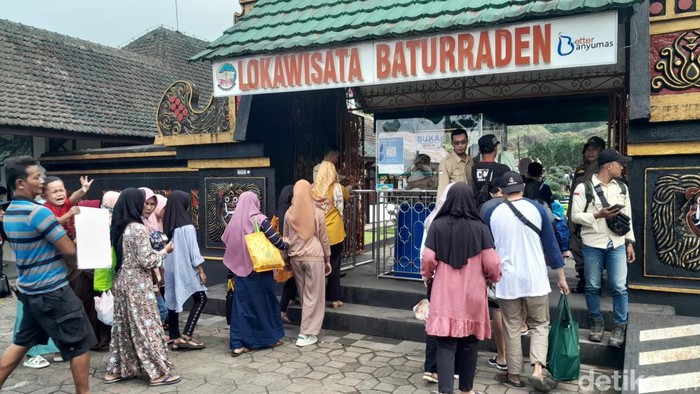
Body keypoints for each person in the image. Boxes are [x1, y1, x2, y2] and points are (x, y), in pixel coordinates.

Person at [0, 156, 96, 394]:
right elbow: (69, 251)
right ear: (21, 183)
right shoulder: (38, 213)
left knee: (21, 343)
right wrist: (78, 264)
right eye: (37, 177)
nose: (42, 181)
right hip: (54, 291)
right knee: (81, 343)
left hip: (30, 291)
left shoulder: (10, 212)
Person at [483, 171, 569, 392]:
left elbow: (487, 249)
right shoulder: (537, 209)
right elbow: (551, 246)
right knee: (540, 324)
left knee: (511, 326)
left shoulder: (493, 212)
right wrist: (561, 278)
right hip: (535, 278)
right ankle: (538, 370)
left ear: (501, 190)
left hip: (506, 280)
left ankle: (513, 374)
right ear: (522, 188)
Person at [421, 183, 502, 394]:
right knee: (469, 344)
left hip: (445, 293)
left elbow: (428, 258)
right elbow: (492, 263)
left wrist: (428, 275)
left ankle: (446, 390)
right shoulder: (481, 227)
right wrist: (493, 278)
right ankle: (466, 390)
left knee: (445, 344)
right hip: (473, 294)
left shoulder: (437, 225)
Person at [105, 188, 179, 386]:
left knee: (123, 327)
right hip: (137, 284)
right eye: (143, 202)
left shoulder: (119, 226)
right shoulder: (137, 228)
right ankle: (156, 373)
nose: (146, 207)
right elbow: (147, 260)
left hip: (121, 281)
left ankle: (117, 370)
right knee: (146, 326)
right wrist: (166, 250)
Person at [571, 149, 635, 348]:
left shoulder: (622, 188)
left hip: (616, 243)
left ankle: (619, 326)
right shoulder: (584, 187)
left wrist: (629, 242)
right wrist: (597, 216)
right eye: (620, 163)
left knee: (619, 287)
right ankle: (596, 323)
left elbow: (628, 218)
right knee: (592, 286)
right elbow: (575, 216)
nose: (622, 167)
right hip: (593, 244)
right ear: (609, 165)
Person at [222, 192, 289, 356]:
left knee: (242, 308)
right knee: (264, 304)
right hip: (259, 270)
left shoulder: (233, 222)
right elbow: (276, 241)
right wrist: (286, 243)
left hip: (240, 272)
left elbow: (229, 246)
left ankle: (238, 344)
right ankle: (270, 338)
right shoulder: (259, 219)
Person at [284, 180, 332, 347]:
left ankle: (306, 329)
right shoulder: (316, 213)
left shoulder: (289, 213)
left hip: (296, 258)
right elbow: (324, 238)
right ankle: (305, 333)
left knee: (304, 294)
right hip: (314, 258)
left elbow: (286, 239)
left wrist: (286, 260)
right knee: (314, 295)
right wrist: (327, 258)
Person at [163, 191, 208, 351]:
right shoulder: (188, 227)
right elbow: (194, 253)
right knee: (201, 298)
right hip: (185, 268)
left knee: (172, 301)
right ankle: (187, 335)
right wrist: (201, 271)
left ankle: (175, 337)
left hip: (170, 269)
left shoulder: (169, 226)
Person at [568, 136, 606, 293]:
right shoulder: (580, 170)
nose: (590, 152)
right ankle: (583, 280)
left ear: (602, 151)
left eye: (594, 149)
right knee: (576, 247)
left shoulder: (604, 170)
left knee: (595, 249)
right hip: (578, 217)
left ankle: (595, 282)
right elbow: (573, 196)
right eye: (588, 149)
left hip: (596, 217)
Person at [313, 161, 350, 309]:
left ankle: (317, 298)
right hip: (334, 233)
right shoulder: (338, 188)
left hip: (318, 233)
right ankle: (334, 299)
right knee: (334, 265)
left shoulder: (313, 190)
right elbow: (347, 197)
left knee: (318, 267)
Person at [42, 175, 93, 240]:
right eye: (54, 192)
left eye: (61, 190)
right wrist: (69, 214)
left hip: (72, 234)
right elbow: (55, 223)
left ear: (65, 191)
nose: (59, 194)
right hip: (57, 238)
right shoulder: (46, 208)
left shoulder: (67, 203)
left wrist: (83, 189)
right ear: (44, 196)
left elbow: (75, 196)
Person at [275, 185, 298, 324]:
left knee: (293, 277)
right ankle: (282, 309)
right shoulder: (291, 213)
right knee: (292, 278)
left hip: (283, 250)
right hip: (288, 249)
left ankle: (291, 299)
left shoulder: (278, 213)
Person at [472, 134, 510, 207]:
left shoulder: (474, 168)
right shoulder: (504, 169)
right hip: (497, 208)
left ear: (480, 150)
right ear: (495, 148)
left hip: (478, 208)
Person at [437, 128, 474, 197]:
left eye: (463, 142)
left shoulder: (470, 160)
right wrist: (440, 207)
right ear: (452, 144)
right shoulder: (446, 162)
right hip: (455, 203)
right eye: (456, 143)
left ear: (467, 142)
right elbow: (442, 189)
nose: (460, 145)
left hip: (470, 201)